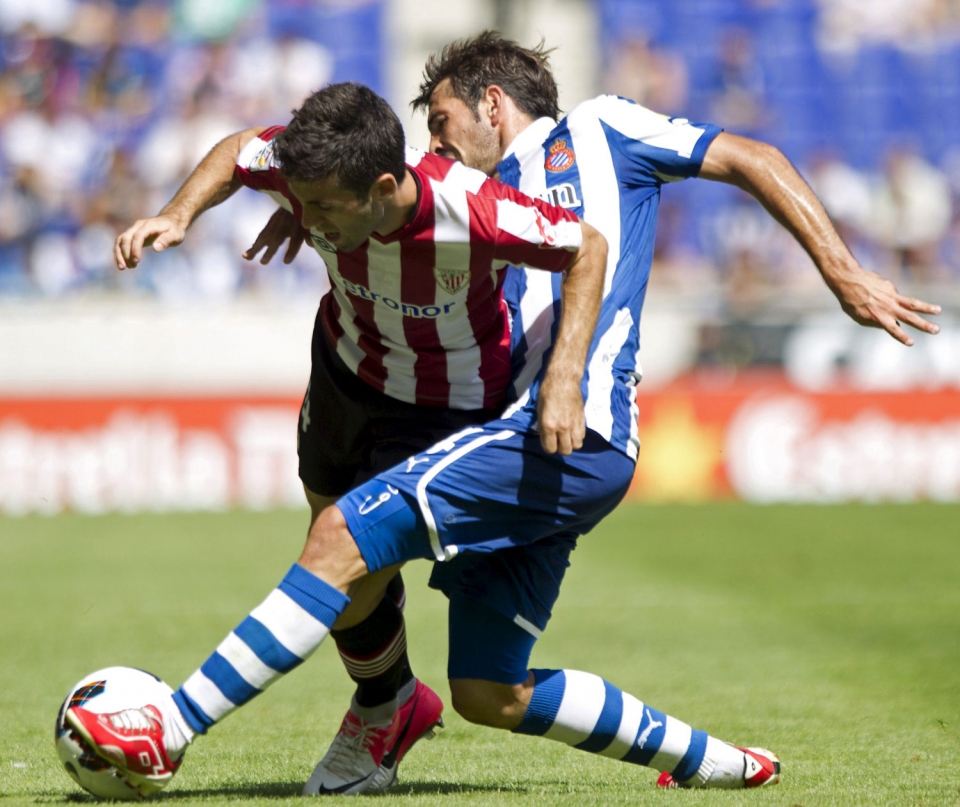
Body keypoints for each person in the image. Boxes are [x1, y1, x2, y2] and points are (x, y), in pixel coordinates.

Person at [237, 31, 945, 794]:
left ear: (492, 103)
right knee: (487, 689)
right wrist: (319, 216)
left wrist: (842, 270)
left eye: (440, 121)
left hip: (568, 428)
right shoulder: (459, 194)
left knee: (347, 545)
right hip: (495, 431)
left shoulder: (603, 126)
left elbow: (752, 157)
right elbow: (383, 210)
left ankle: (222, 718)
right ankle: (713, 760)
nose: (433, 143)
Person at [104, 80, 609, 794]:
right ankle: (395, 697)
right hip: (345, 372)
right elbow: (238, 149)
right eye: (299, 201)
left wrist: (566, 374)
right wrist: (178, 213)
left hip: (443, 408)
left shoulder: (474, 209)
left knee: (341, 566)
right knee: (335, 554)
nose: (304, 218)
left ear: (381, 189)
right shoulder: (315, 168)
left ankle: (352, 710)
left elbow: (588, 247)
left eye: (321, 207)